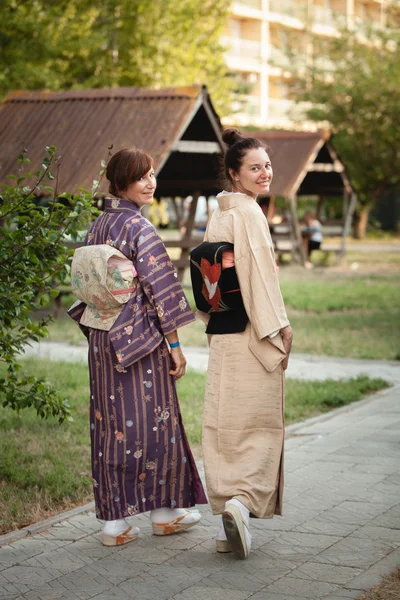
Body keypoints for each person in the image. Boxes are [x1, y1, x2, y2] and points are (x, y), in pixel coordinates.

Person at [68, 147, 207, 546]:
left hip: (101, 340)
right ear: (120, 182)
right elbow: (161, 289)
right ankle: (164, 512)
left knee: (111, 427)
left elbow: (85, 286)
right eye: (141, 176)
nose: (150, 183)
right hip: (140, 343)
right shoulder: (139, 229)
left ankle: (119, 522)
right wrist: (175, 345)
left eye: (151, 175)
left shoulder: (98, 226)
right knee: (156, 424)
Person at [191, 128, 293, 560]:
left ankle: (225, 525)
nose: (264, 172)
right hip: (252, 332)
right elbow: (259, 281)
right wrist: (279, 328)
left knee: (226, 424)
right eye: (255, 167)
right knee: (258, 425)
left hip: (223, 334)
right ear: (236, 174)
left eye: (267, 165)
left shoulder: (221, 213)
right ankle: (241, 504)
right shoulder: (250, 213)